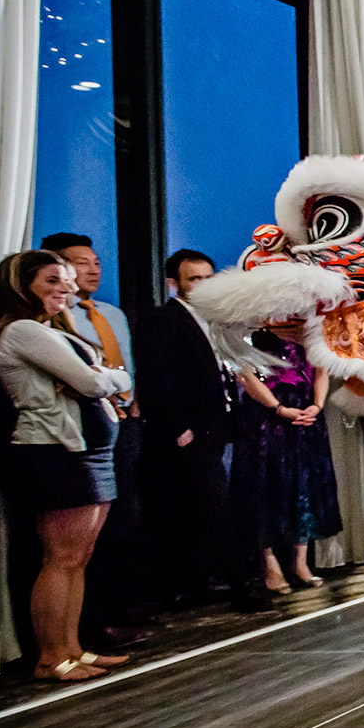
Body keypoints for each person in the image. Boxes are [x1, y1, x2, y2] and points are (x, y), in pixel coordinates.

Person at [0, 251, 133, 681]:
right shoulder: (23, 329)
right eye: (52, 280)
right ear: (20, 286)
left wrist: (109, 376)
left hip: (86, 450)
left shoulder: (52, 329)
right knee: (61, 558)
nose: (65, 287)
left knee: (78, 557)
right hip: (55, 451)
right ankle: (52, 656)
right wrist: (107, 377)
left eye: (67, 279)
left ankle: (73, 648)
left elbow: (107, 375)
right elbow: (94, 382)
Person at [137, 250, 266, 611]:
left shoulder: (214, 320)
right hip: (190, 431)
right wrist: (179, 426)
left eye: (210, 279)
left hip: (219, 427)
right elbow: (156, 376)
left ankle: (199, 583)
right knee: (212, 506)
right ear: (173, 284)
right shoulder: (165, 319)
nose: (204, 285)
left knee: (206, 507)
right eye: (195, 279)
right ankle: (240, 585)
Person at [40, 232, 148, 643]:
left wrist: (133, 402)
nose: (91, 270)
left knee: (125, 518)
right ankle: (86, 626)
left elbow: (125, 366)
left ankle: (119, 607)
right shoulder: (55, 321)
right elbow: (88, 378)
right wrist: (111, 383)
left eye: (96, 261)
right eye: (78, 263)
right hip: (77, 430)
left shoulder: (112, 313)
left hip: (124, 422)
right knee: (81, 539)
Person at [231, 327, 343, 593]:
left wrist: (316, 405)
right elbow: (245, 375)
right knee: (266, 488)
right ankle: (269, 564)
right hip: (265, 419)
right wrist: (278, 408)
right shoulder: (248, 329)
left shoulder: (307, 328)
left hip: (306, 415)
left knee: (304, 487)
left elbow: (321, 370)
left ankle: (300, 562)